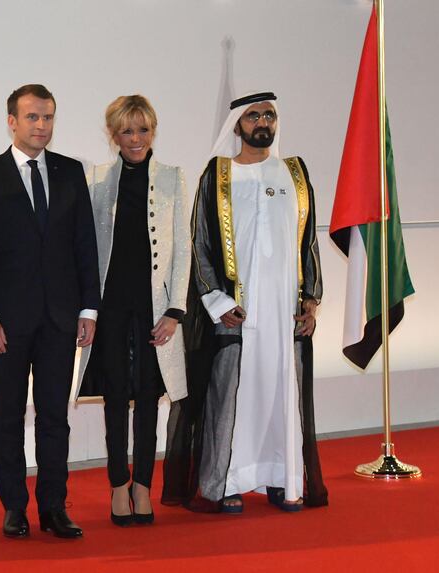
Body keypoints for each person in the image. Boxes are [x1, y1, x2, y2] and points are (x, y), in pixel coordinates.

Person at [162, 91, 328, 514]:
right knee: (228, 396)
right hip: (236, 313)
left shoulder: (294, 171)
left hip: (284, 313)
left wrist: (311, 301)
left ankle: (280, 477)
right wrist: (216, 302)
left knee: (280, 394)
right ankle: (224, 483)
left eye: (269, 115)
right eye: (253, 115)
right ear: (237, 125)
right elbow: (198, 243)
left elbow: (308, 242)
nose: (262, 122)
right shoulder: (218, 174)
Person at [0, 84, 100, 539]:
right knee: (6, 416)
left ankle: (54, 507)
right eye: (33, 118)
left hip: (62, 319)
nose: (42, 126)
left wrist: (89, 308)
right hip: (7, 324)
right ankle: (14, 508)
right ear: (12, 121)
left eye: (48, 118)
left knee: (54, 417)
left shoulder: (70, 172)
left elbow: (85, 244)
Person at [75, 95, 190, 526]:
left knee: (147, 398)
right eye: (126, 131)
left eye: (142, 130)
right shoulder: (98, 178)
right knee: (114, 399)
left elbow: (183, 251)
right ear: (113, 135)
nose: (135, 139)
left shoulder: (175, 179)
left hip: (154, 308)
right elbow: (87, 250)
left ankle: (144, 485)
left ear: (152, 131)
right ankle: (117, 486)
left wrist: (175, 311)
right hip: (111, 307)